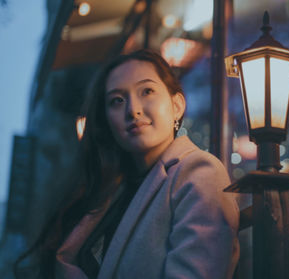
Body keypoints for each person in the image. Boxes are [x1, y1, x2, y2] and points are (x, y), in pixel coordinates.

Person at [16, 49, 239, 279]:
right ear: (106, 120)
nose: (133, 109)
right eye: (117, 100)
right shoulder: (114, 191)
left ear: (177, 106)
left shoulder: (198, 172)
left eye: (147, 91)